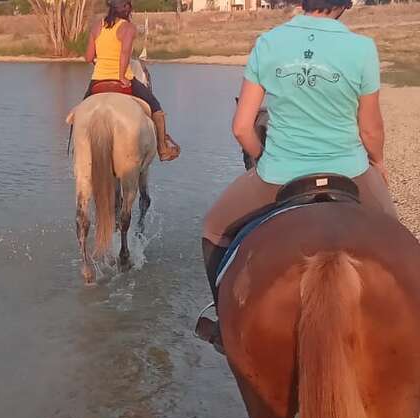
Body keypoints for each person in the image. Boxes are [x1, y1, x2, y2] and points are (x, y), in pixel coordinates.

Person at [199, 0, 397, 349]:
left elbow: (242, 127)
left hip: (279, 174)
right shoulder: (362, 48)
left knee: (214, 229)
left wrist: (264, 159)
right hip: (349, 171)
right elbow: (370, 131)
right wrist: (378, 162)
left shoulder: (268, 43)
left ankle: (225, 328)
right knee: (398, 240)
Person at [83, 0, 180, 162]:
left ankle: (77, 148)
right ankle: (163, 149)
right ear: (126, 9)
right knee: (155, 106)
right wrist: (121, 77)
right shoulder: (128, 28)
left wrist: (99, 61)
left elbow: (88, 58)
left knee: (80, 114)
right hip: (122, 80)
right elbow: (125, 54)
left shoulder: (96, 26)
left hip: (97, 81)